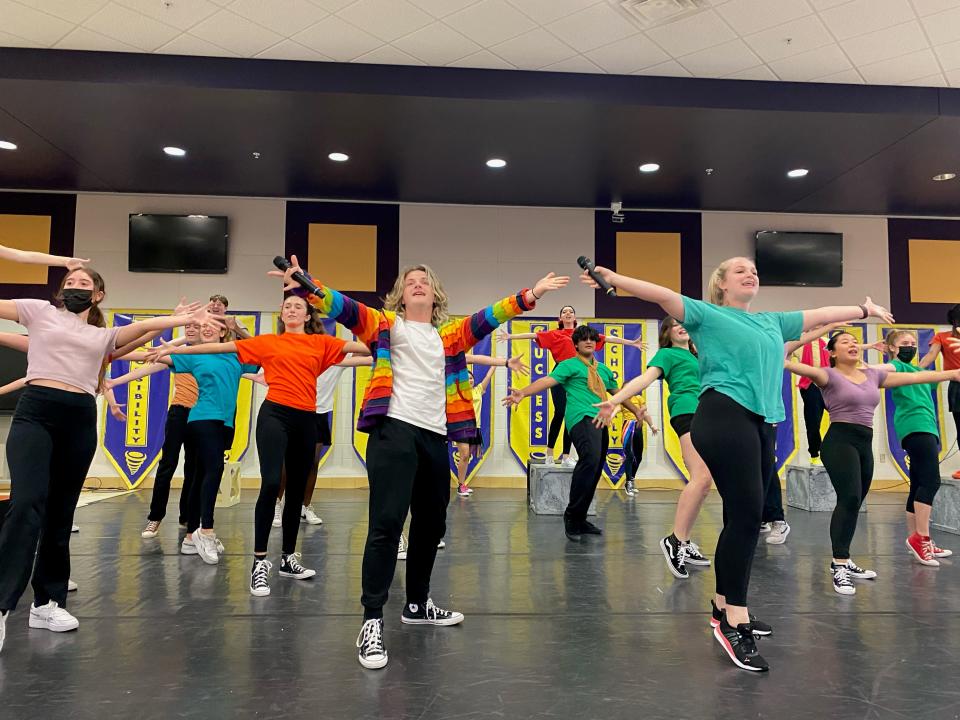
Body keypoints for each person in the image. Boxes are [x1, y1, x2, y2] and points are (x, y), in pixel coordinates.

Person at [581, 257, 893, 672]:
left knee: (744, 516)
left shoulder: (772, 322)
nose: (751, 273)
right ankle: (734, 621)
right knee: (747, 518)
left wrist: (864, 310)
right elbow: (659, 294)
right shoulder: (707, 315)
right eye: (740, 270)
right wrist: (613, 278)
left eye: (755, 271)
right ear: (722, 285)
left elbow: (821, 313)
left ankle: (722, 605)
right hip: (723, 413)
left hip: (762, 422)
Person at [270, 255, 567, 670]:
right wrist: (303, 282)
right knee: (387, 525)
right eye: (410, 281)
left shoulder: (449, 337)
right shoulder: (385, 326)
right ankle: (372, 618)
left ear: (435, 293)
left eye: (424, 280)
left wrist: (530, 295)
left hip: (435, 436)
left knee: (431, 526)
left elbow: (488, 318)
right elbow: (339, 305)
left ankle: (417, 603)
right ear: (400, 294)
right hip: (392, 431)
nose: (417, 283)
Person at [0, 266, 214, 654]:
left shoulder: (103, 335)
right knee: (27, 502)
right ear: (61, 292)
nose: (76, 286)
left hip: (79, 416)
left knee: (62, 512)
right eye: (70, 283)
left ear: (98, 295)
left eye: (85, 283)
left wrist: (179, 318)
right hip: (36, 411)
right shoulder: (38, 312)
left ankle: (47, 603)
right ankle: (1, 606)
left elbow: (144, 331)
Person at [151, 294, 368, 595]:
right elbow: (222, 346)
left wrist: (393, 347)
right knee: (270, 484)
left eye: (298, 307)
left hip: (306, 419)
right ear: (281, 313)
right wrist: (173, 345)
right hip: (274, 416)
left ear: (307, 316)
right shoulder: (267, 342)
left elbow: (364, 350)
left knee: (295, 490)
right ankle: (260, 562)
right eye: (287, 306)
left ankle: (289, 558)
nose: (291, 309)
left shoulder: (321, 343)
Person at [787, 331, 957, 594]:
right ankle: (839, 565)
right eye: (845, 342)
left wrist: (951, 374)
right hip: (839, 441)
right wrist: (821, 328)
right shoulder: (826, 375)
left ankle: (845, 558)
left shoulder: (872, 376)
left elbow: (916, 376)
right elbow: (786, 361)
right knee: (850, 499)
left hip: (864, 442)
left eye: (855, 342)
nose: (853, 344)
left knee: (856, 501)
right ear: (832, 352)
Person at [596, 316, 711, 578]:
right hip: (686, 412)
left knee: (704, 483)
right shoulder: (667, 355)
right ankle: (675, 541)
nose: (681, 326)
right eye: (674, 324)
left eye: (685, 323)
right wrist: (615, 401)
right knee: (701, 477)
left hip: (707, 414)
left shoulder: (697, 356)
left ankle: (684, 540)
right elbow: (643, 380)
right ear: (667, 332)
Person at [504, 325, 642, 541]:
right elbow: (547, 381)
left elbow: (620, 394)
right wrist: (524, 392)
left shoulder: (604, 370)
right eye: (583, 339)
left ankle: (580, 518)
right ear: (575, 344)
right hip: (580, 418)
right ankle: (571, 516)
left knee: (596, 467)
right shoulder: (569, 365)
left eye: (592, 339)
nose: (588, 342)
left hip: (600, 421)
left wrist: (636, 412)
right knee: (589, 459)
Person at [499, 305, 641, 466]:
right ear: (560, 318)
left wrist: (631, 343)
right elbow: (533, 334)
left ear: (575, 318)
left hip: (581, 375)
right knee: (560, 412)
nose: (568, 313)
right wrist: (510, 336)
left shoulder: (583, 335)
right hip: (562, 372)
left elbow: (608, 338)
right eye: (564, 312)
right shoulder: (555, 334)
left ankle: (566, 455)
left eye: (571, 312)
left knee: (571, 414)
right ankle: (550, 453)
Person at [868, 330, 955, 565]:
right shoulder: (897, 367)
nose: (911, 346)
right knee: (931, 482)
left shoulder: (919, 371)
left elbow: (938, 374)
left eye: (913, 343)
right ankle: (922, 538)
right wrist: (869, 352)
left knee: (917, 483)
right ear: (893, 348)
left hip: (926, 427)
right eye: (905, 343)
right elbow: (876, 371)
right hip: (916, 428)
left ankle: (914, 538)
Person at [269, 353, 374, 528]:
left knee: (313, 462)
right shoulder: (298, 356)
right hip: (295, 411)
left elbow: (365, 351)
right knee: (288, 461)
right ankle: (277, 504)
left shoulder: (336, 358)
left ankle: (305, 505)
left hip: (319, 414)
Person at [919, 304, 960, 480]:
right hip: (957, 385)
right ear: (954, 320)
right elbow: (930, 356)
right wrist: (913, 372)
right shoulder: (942, 337)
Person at [620, 398, 657, 496]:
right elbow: (615, 409)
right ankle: (628, 483)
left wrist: (652, 425)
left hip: (638, 427)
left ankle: (631, 479)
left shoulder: (639, 398)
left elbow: (645, 413)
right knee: (629, 456)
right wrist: (609, 417)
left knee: (638, 457)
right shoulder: (622, 399)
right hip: (627, 426)